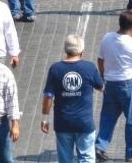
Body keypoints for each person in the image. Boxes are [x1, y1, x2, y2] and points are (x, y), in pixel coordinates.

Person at [95, 11, 132, 162]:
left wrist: (103, 76)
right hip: (128, 84)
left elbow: (100, 59)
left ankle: (99, 146)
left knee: (108, 117)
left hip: (110, 84)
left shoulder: (107, 38)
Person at [41, 34, 104, 163]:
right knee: (87, 157)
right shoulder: (89, 67)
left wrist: (45, 119)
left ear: (65, 49)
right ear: (81, 51)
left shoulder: (55, 69)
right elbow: (101, 87)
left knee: (65, 159)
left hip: (63, 122)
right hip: (84, 122)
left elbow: (48, 96)